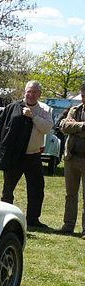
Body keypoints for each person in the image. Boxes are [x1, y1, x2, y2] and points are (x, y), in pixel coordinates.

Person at [0, 80, 53, 229]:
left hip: (33, 156)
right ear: (24, 92)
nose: (31, 95)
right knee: (8, 190)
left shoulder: (45, 110)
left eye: (35, 92)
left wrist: (33, 116)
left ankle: (33, 219)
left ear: (39, 94)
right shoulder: (13, 108)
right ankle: (5, 218)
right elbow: (1, 131)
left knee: (37, 190)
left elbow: (46, 128)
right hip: (15, 156)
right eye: (29, 91)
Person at [58, 81, 85, 238]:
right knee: (70, 194)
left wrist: (74, 128)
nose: (84, 98)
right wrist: (81, 127)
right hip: (71, 158)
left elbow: (70, 128)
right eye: (82, 95)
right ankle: (68, 225)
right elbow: (63, 126)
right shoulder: (75, 110)